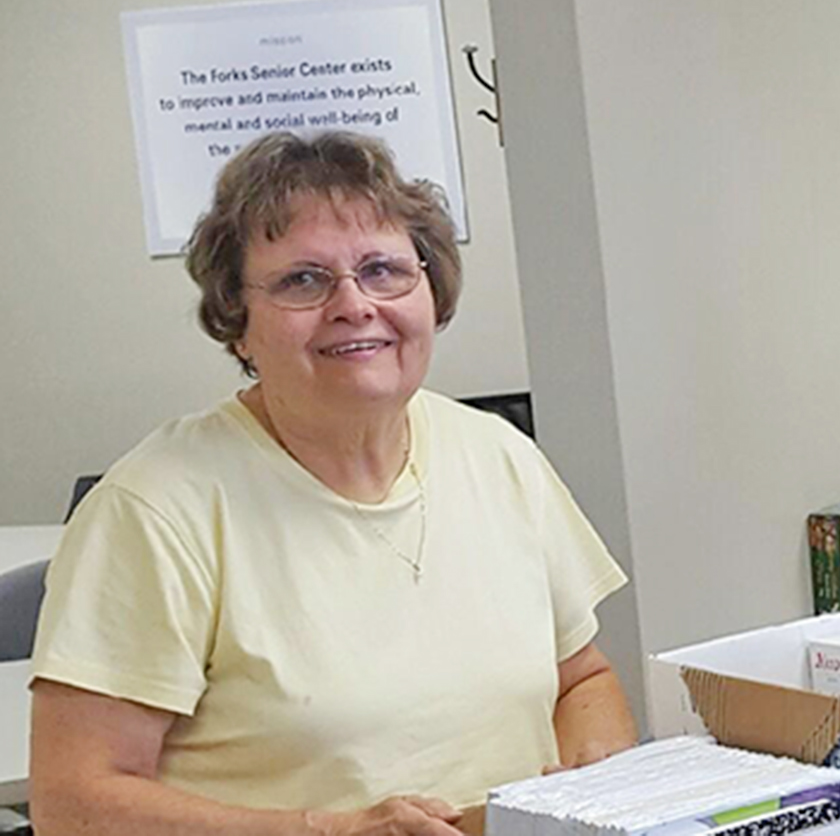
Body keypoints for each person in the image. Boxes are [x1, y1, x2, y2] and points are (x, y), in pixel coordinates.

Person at [30, 132, 637, 835]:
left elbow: (582, 679)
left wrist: (597, 774)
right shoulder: (156, 510)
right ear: (238, 325)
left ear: (430, 291)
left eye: (383, 270)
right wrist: (329, 831)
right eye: (303, 280)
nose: (354, 304)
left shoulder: (498, 456)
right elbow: (74, 804)